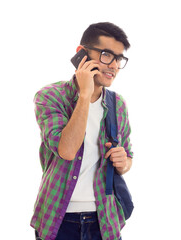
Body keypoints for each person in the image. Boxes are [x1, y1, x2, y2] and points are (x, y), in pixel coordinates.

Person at [30, 22, 134, 240]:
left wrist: (123, 162)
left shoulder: (118, 105)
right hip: (58, 219)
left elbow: (128, 158)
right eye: (106, 55)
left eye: (118, 58)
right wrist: (85, 95)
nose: (113, 65)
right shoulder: (50, 97)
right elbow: (67, 151)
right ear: (82, 54)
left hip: (104, 219)